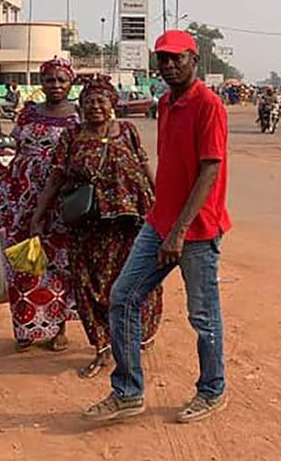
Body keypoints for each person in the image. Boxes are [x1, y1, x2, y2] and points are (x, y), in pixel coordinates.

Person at [83, 30, 231, 424]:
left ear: (193, 61)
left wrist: (179, 231)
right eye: (162, 59)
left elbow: (209, 169)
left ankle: (212, 389)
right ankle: (128, 392)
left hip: (196, 229)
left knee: (203, 316)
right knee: (123, 296)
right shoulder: (165, 102)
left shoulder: (209, 105)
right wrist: (161, 220)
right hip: (159, 221)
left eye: (175, 59)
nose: (167, 66)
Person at [30, 75, 162, 378]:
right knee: (91, 287)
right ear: (80, 106)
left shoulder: (127, 131)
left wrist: (159, 202)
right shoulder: (71, 137)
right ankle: (103, 348)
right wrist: (39, 214)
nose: (95, 107)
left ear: (112, 104)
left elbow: (143, 166)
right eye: (88, 102)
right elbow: (57, 177)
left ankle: (133, 339)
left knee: (136, 282)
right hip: (87, 226)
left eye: (101, 101)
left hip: (130, 223)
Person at [0, 57, 79, 352]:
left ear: (71, 83)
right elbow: (15, 147)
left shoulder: (78, 117)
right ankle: (25, 326)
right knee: (22, 261)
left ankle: (57, 328)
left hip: (58, 197)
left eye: (61, 80)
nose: (55, 85)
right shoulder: (28, 113)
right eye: (49, 80)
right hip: (18, 195)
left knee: (57, 262)